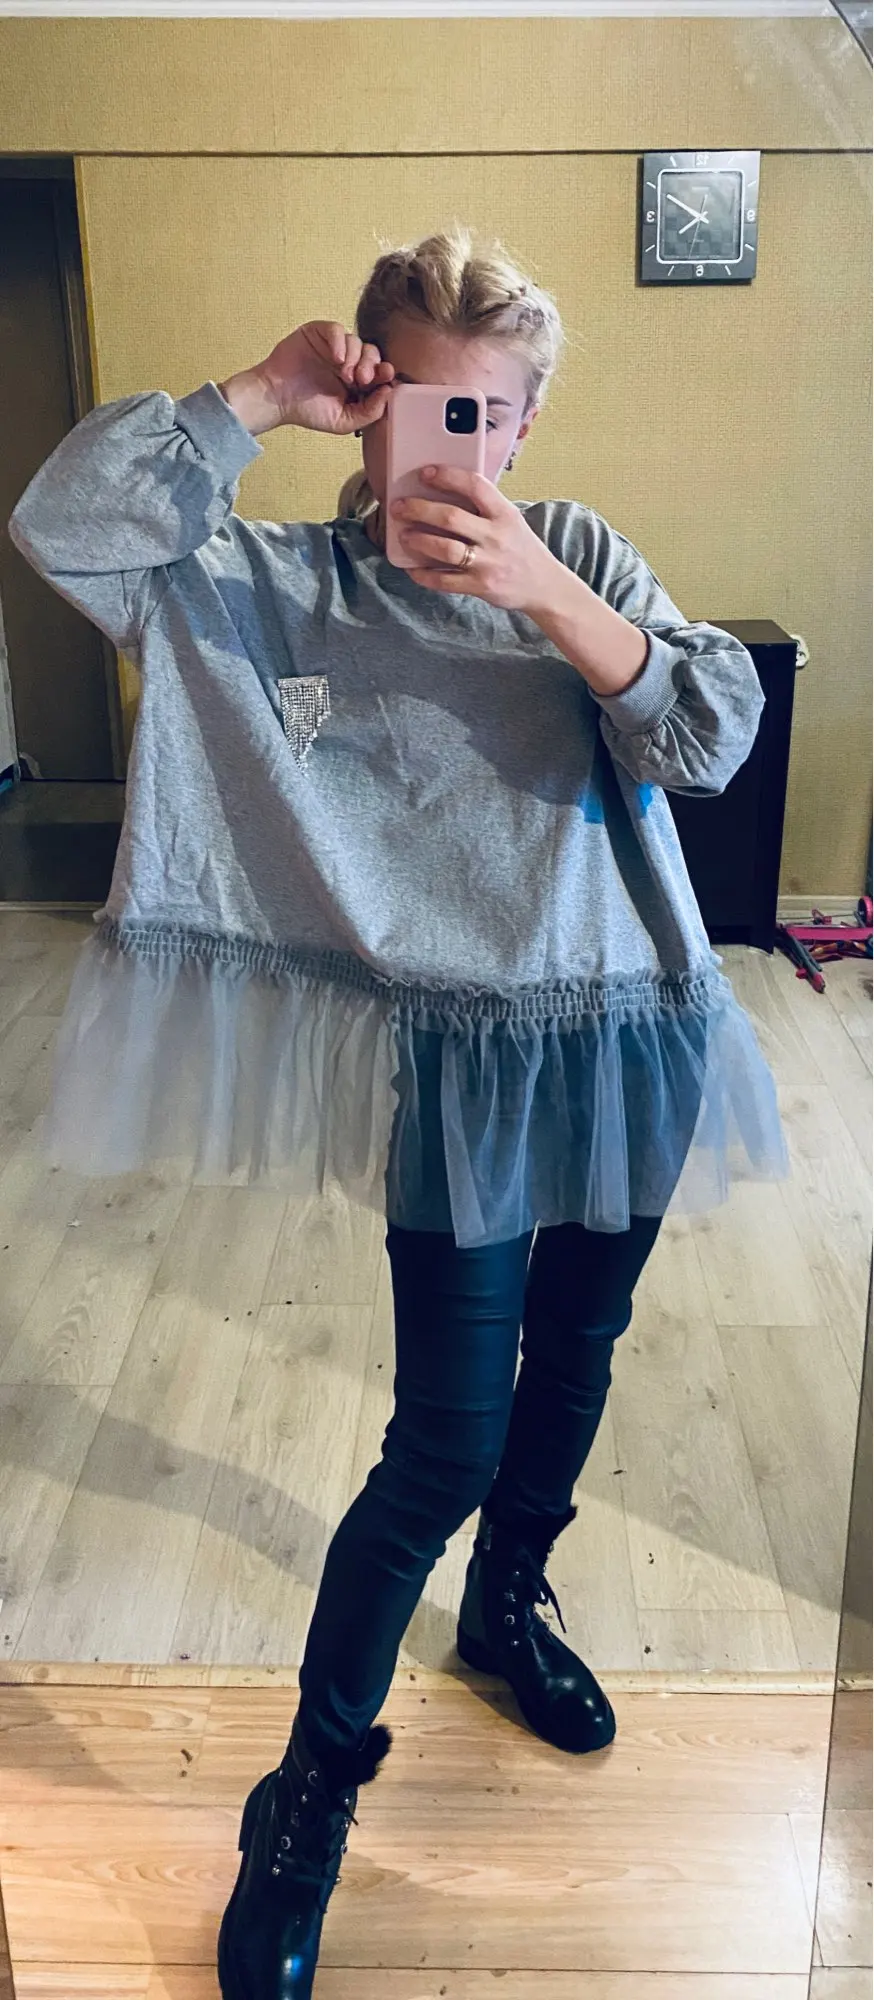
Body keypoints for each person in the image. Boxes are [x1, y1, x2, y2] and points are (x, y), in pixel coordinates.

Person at [9, 226, 785, 2000]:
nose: (459, 444)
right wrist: (254, 395)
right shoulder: (267, 582)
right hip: (461, 1068)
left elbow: (712, 739)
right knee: (440, 1437)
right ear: (366, 398)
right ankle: (306, 1798)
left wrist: (549, 596)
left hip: (633, 1029)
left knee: (577, 1355)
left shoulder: (577, 550)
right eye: (421, 402)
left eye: (490, 413)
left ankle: (508, 1604)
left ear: (526, 424)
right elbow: (66, 531)